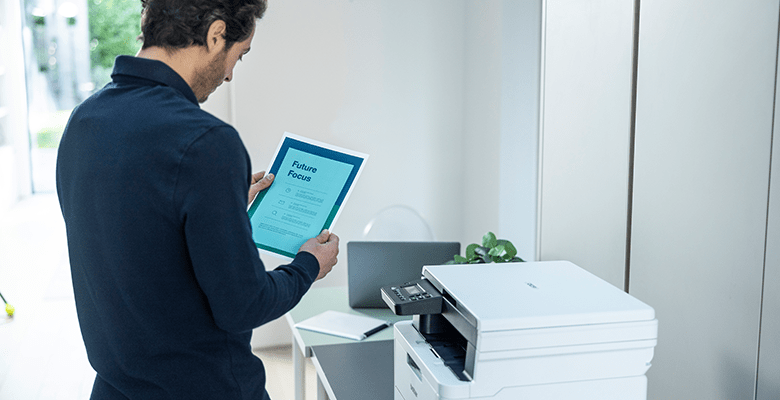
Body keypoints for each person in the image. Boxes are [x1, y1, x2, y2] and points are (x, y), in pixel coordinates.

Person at [55, 0, 339, 398]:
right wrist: (309, 265)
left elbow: (133, 237)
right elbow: (245, 304)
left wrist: (219, 206)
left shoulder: (84, 122)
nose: (229, 76)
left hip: (115, 387)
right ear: (215, 34)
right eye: (237, 56)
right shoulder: (207, 143)